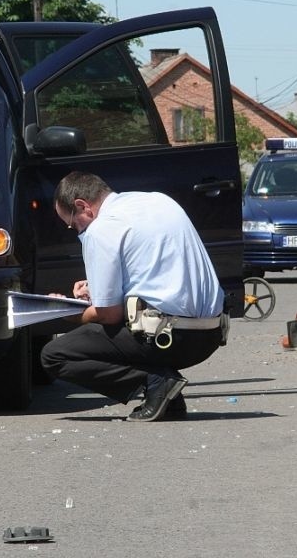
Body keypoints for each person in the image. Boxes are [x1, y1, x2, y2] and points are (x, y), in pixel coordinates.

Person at [40, 171, 227, 422]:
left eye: (73, 224)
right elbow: (154, 273)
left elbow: (109, 314)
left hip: (170, 338)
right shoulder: (159, 201)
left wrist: (67, 312)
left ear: (83, 206)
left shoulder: (101, 228)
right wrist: (95, 291)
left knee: (54, 355)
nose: (76, 231)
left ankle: (155, 382)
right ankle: (168, 397)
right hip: (210, 334)